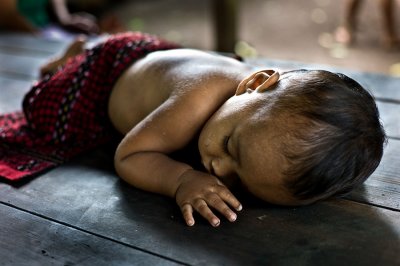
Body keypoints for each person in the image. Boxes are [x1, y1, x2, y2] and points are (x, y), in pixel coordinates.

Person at [0, 32, 386, 227]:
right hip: (105, 76)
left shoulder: (251, 114)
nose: (218, 169)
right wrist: (181, 179)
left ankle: (79, 52)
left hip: (158, 62)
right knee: (42, 107)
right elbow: (130, 155)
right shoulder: (196, 101)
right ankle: (67, 62)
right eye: (231, 147)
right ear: (254, 84)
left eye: (242, 183)